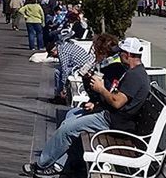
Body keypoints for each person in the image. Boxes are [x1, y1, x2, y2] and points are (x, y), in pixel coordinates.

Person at [24, 37, 150, 177]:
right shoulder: (133, 72)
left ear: (128, 55)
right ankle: (65, 164)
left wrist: (100, 89)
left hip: (113, 122)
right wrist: (96, 104)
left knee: (67, 129)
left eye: (121, 53)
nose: (119, 56)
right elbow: (117, 99)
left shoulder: (135, 76)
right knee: (71, 117)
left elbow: (117, 102)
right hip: (111, 115)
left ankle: (42, 165)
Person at [48, 29, 94, 104]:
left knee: (58, 72)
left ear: (54, 51)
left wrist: (64, 88)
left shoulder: (62, 53)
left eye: (52, 55)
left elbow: (65, 70)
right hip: (84, 65)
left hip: (82, 68)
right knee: (59, 70)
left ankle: (59, 96)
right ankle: (58, 94)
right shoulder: (64, 46)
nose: (54, 57)